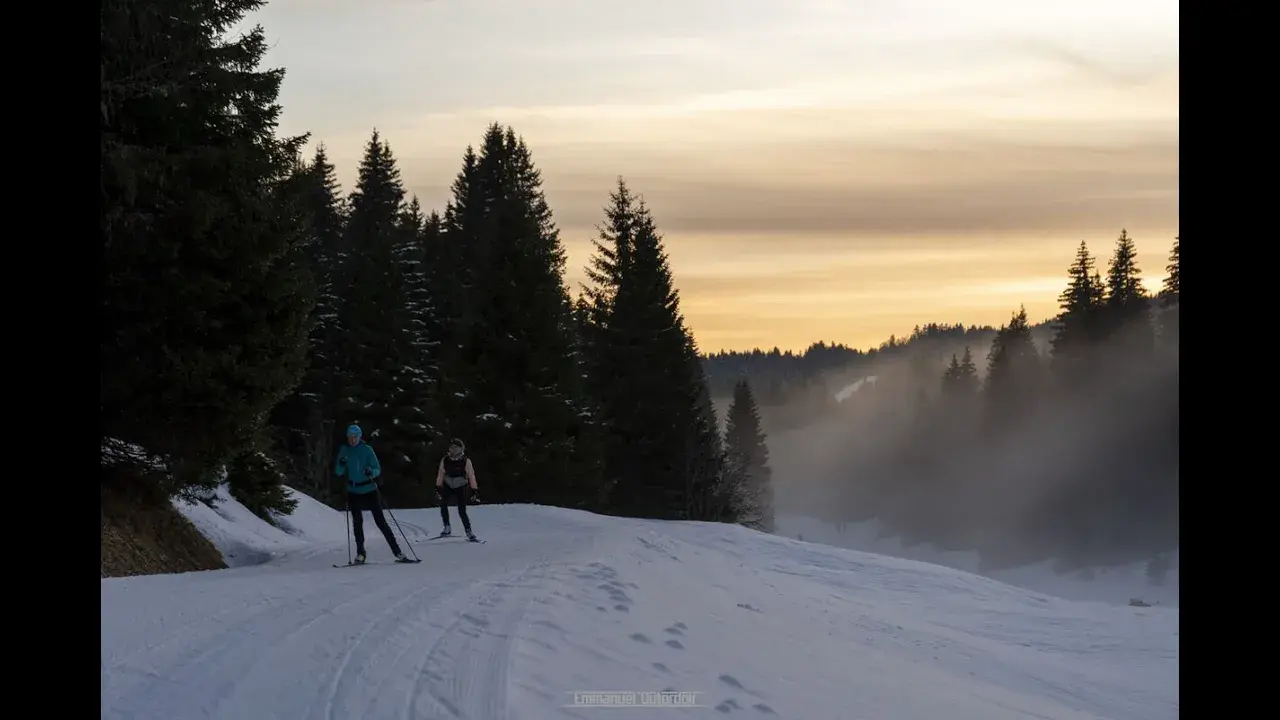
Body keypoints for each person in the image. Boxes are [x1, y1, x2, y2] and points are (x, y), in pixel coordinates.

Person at [335, 424, 407, 563]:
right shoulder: (345, 450)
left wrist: (370, 471)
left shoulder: (367, 450)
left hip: (369, 489)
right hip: (353, 490)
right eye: (349, 437)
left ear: (359, 436)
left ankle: (397, 551)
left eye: (354, 437)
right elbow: (338, 472)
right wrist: (342, 463)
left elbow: (377, 468)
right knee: (357, 523)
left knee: (380, 521)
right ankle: (360, 554)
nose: (352, 440)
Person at [436, 438, 479, 540]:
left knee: (461, 510)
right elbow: (440, 474)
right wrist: (438, 487)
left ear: (461, 448)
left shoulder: (466, 461)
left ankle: (469, 531)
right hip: (448, 484)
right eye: (452, 447)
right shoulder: (445, 459)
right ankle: (447, 527)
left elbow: (471, 475)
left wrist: (474, 490)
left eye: (456, 447)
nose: (454, 449)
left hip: (461, 486)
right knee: (443, 505)